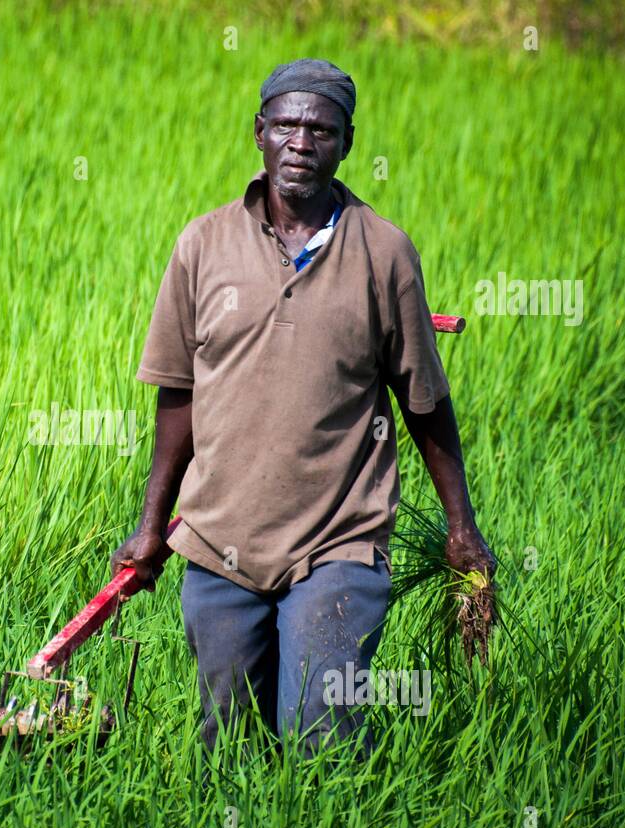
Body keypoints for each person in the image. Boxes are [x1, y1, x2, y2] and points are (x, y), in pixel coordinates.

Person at [110, 58, 496, 758]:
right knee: (227, 741)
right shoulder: (203, 245)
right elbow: (178, 393)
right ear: (258, 133)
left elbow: (424, 402)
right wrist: (150, 526)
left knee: (322, 729)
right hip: (219, 539)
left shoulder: (384, 254)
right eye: (285, 124)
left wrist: (460, 525)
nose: (300, 141)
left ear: (346, 143)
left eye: (320, 129)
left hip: (339, 539)